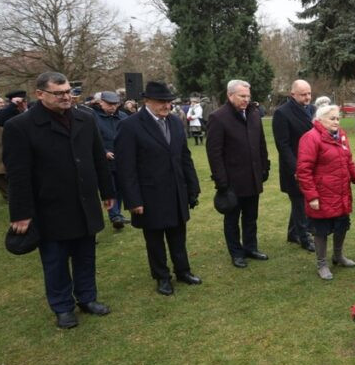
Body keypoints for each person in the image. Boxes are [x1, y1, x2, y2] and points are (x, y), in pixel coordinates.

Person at [3, 71, 115, 329]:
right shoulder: (20, 126)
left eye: (68, 92)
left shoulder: (85, 118)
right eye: (59, 93)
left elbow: (98, 158)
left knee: (86, 255)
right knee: (55, 260)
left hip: (85, 202)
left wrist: (108, 192)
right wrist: (21, 212)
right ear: (40, 94)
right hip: (50, 206)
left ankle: (87, 298)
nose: (66, 97)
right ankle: (62, 307)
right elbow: (18, 174)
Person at [115, 81, 201, 295]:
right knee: (154, 239)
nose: (166, 105)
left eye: (169, 101)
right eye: (161, 101)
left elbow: (184, 157)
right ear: (147, 101)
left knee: (178, 234)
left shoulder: (174, 122)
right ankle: (162, 276)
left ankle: (183, 270)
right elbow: (126, 168)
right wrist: (134, 200)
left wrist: (192, 187)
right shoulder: (130, 126)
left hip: (176, 191)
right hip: (149, 194)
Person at [206, 79, 270, 268]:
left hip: (253, 177)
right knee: (232, 219)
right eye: (242, 96)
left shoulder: (253, 114)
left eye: (248, 96)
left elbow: (261, 143)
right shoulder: (218, 117)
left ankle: (251, 247)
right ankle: (236, 253)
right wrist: (221, 181)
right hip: (232, 181)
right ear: (230, 95)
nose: (246, 100)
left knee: (251, 217)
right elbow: (214, 153)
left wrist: (265, 167)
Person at [296, 104, 355, 280]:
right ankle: (322, 264)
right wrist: (312, 196)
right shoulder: (310, 138)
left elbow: (348, 162)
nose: (336, 121)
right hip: (322, 195)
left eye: (338, 118)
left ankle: (338, 256)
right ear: (320, 120)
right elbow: (304, 171)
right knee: (321, 231)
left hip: (341, 193)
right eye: (332, 118)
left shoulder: (341, 135)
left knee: (341, 225)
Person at [272, 79, 315, 252]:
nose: (307, 97)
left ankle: (292, 233)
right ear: (293, 94)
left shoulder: (313, 110)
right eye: (303, 94)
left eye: (309, 93)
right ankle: (305, 237)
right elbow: (282, 145)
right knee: (299, 201)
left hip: (312, 164)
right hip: (295, 166)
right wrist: (297, 168)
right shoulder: (282, 113)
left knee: (301, 200)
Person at [93, 91, 129, 229]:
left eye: (115, 104)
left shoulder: (123, 117)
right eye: (109, 104)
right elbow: (93, 139)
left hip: (121, 159)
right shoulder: (93, 118)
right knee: (110, 187)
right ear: (101, 103)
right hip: (104, 161)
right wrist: (104, 152)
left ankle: (117, 214)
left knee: (120, 188)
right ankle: (114, 215)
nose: (112, 107)